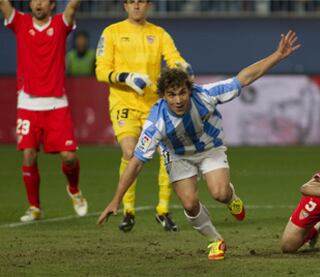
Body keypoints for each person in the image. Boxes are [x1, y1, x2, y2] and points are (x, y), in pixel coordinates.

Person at [97, 30, 301, 260]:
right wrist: (116, 200)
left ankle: (232, 199)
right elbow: (135, 162)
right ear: (163, 95)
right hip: (177, 156)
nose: (178, 99)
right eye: (172, 95)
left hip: (209, 148)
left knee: (220, 193)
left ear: (189, 90)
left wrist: (277, 55)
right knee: (189, 203)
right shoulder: (156, 121)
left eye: (182, 93)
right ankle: (216, 240)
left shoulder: (205, 94)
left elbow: (244, 78)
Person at [95, 0, 193, 232]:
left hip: (155, 105)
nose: (137, 6)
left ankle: (163, 210)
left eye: (141, 1)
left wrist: (182, 65)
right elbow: (100, 70)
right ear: (125, 6)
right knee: (130, 152)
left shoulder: (159, 34)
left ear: (148, 5)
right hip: (124, 102)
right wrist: (126, 77)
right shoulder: (111, 33)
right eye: (132, 2)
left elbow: (173, 58)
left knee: (167, 152)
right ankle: (128, 211)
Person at [0, 0, 88, 222]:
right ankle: (35, 207)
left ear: (52, 6)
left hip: (56, 103)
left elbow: (73, 6)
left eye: (43, 1)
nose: (38, 4)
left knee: (69, 157)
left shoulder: (60, 24)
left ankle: (74, 190)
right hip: (28, 103)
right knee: (29, 154)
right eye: (35, 0)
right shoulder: (20, 22)